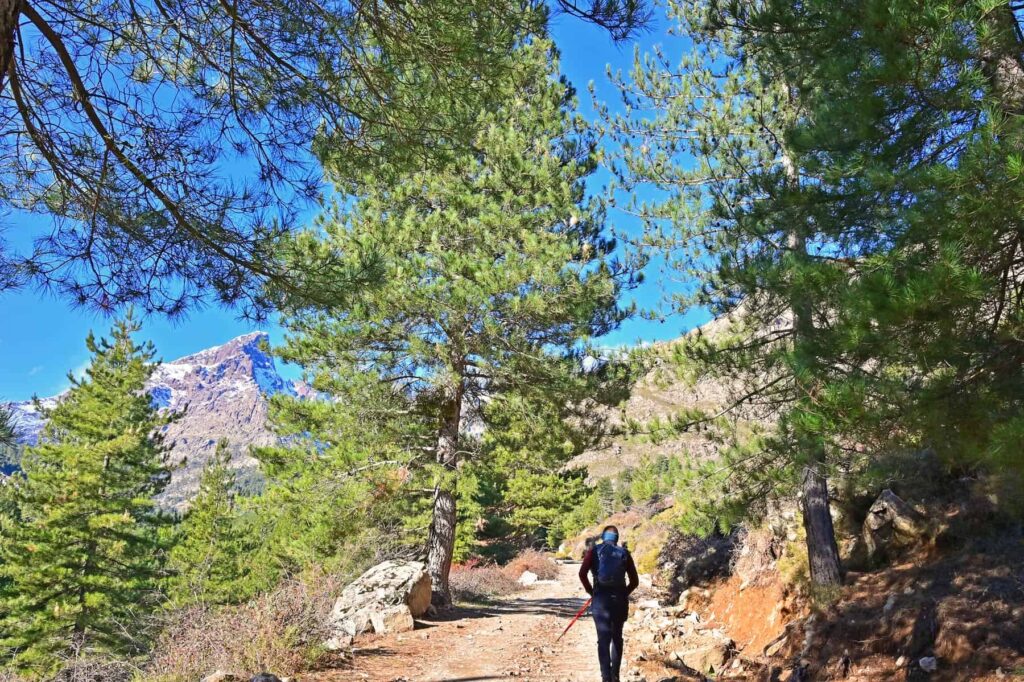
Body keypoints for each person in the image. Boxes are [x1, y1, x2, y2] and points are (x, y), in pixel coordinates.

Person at [579, 525, 639, 682]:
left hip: (600, 600)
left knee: (603, 639)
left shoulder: (593, 552)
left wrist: (591, 592)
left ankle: (606, 677)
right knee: (617, 637)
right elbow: (635, 581)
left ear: (604, 537)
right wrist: (623, 593)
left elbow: (582, 574)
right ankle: (615, 677)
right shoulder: (624, 553)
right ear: (617, 538)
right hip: (619, 600)